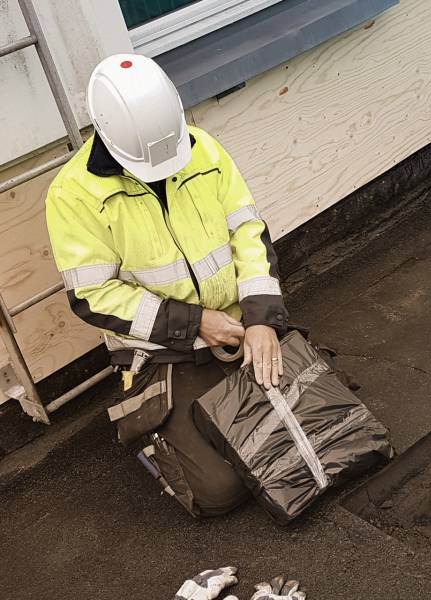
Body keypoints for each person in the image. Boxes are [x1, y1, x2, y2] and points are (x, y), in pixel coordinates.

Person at [45, 53, 289, 517]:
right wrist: (196, 323)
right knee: (220, 492)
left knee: (306, 432)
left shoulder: (203, 148)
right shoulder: (72, 195)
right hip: (162, 350)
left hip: (238, 330)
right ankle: (150, 429)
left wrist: (261, 319)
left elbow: (248, 232)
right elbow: (93, 296)